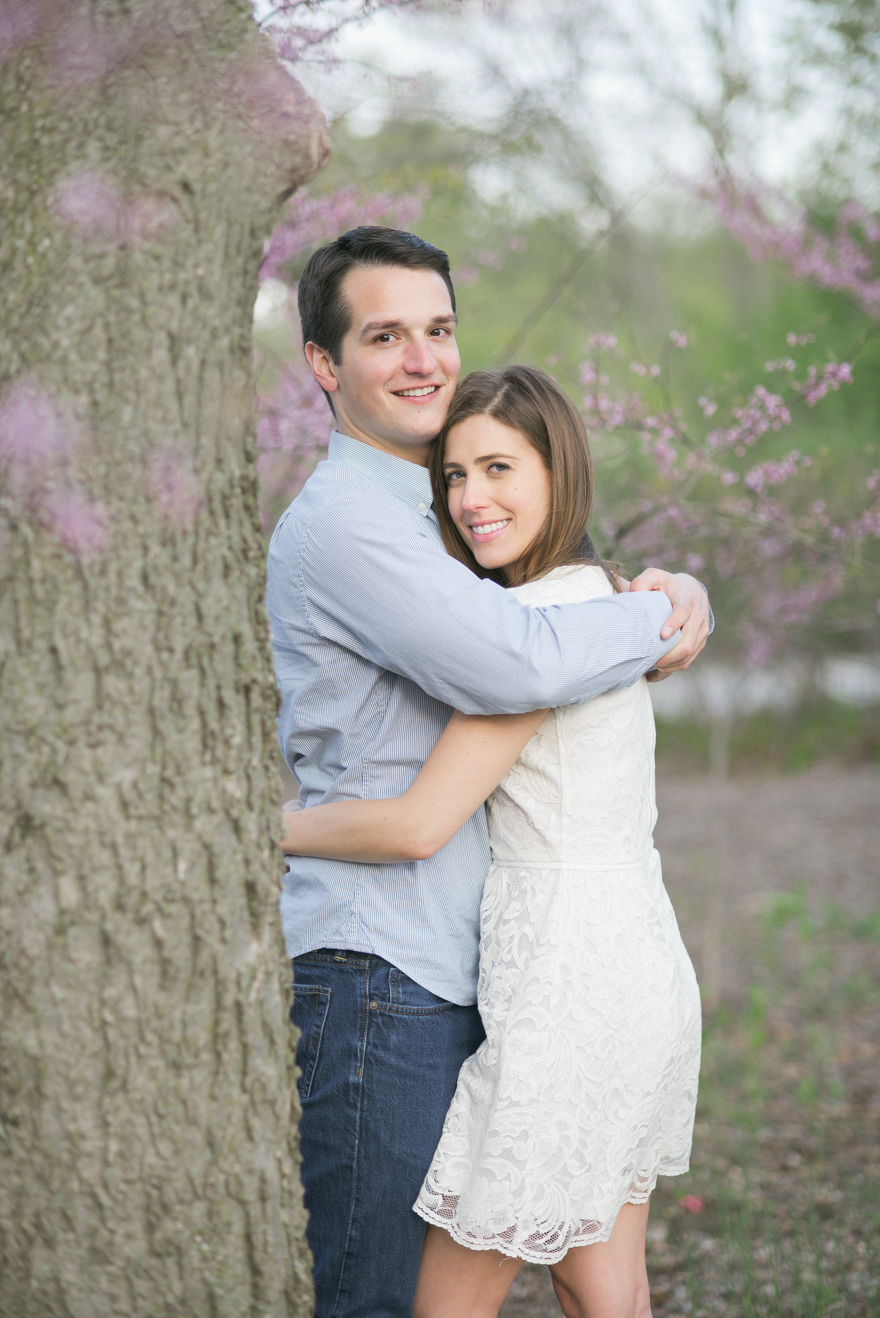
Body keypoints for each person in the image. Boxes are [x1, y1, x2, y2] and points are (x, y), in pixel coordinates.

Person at [266, 226, 711, 1318]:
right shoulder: (358, 528)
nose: (422, 358)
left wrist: (653, 598)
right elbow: (515, 660)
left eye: (438, 330)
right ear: (324, 366)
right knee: (579, 1277)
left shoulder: (507, 577)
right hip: (401, 965)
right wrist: (653, 603)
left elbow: (515, 666)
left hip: (525, 970)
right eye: (384, 335)